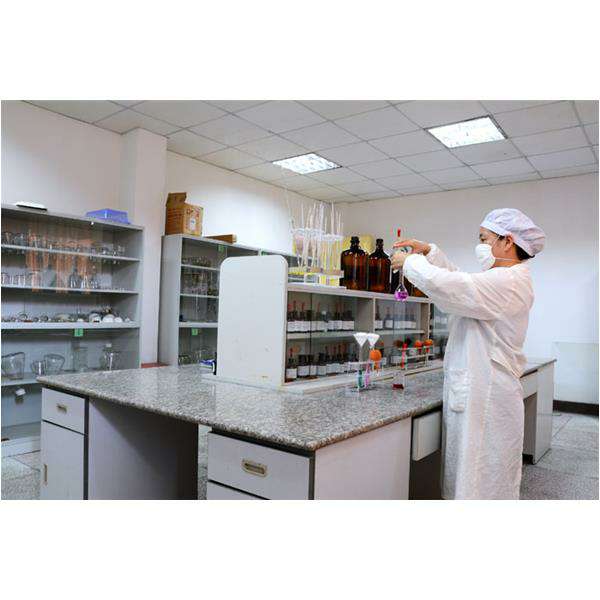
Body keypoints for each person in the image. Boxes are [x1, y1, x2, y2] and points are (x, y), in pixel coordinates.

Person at [391, 208, 545, 500]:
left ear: (507, 241)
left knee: (480, 482)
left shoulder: (508, 281)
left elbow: (453, 288)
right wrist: (431, 253)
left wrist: (410, 262)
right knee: (471, 478)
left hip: (487, 397)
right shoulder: (502, 278)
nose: (480, 245)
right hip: (481, 390)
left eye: (484, 238)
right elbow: (461, 283)